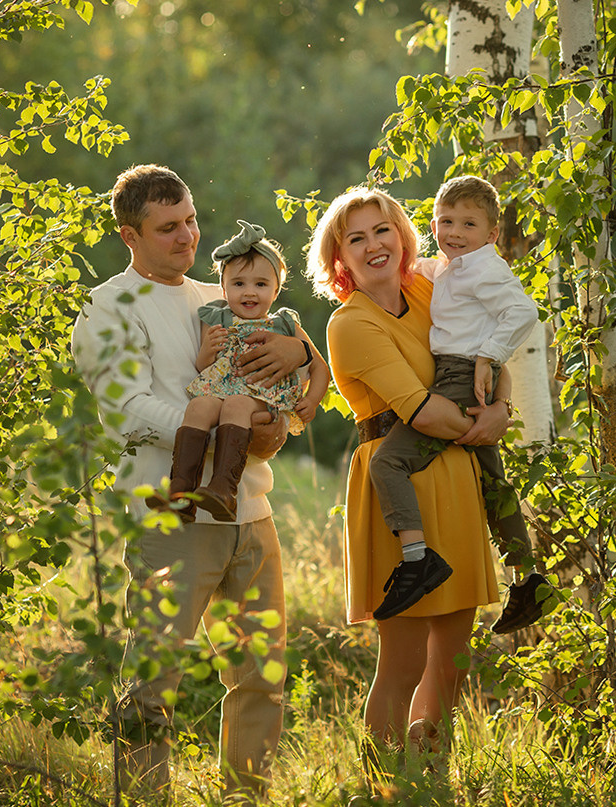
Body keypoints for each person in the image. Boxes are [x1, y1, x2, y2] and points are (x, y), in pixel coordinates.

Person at [71, 165, 308, 803]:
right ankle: (144, 799)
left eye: (192, 220)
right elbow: (126, 410)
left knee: (260, 677)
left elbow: (283, 383)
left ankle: (245, 797)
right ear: (130, 235)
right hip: (171, 521)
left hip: (250, 513)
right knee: (153, 683)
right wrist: (216, 426)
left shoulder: (221, 295)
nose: (188, 237)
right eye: (168, 227)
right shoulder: (108, 306)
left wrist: (299, 358)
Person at [305, 185, 509, 780]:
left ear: (402, 235)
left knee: (454, 660)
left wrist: (504, 405)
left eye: (382, 230)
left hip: (456, 476)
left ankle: (430, 777)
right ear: (339, 257)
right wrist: (485, 426)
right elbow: (420, 411)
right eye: (356, 238)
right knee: (404, 660)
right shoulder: (350, 324)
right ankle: (384, 784)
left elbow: (490, 348)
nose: (374, 245)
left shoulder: (430, 289)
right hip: (400, 485)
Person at [368, 175, 549, 633]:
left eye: (469, 224)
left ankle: (417, 559)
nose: (455, 232)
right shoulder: (453, 267)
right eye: (446, 221)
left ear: (491, 234)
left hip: (460, 377)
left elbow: (524, 312)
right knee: (494, 485)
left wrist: (490, 355)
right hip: (466, 377)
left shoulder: (484, 268)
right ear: (433, 225)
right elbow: (424, 270)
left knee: (388, 462)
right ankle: (527, 578)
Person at [147, 219, 330, 523]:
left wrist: (312, 401)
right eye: (239, 284)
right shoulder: (216, 318)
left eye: (261, 284)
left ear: (276, 290)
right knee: (198, 406)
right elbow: (204, 368)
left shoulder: (283, 323)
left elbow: (319, 367)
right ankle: (180, 490)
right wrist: (208, 350)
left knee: (237, 405)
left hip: (261, 394)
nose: (249, 293)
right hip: (221, 390)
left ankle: (224, 489)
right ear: (224, 288)